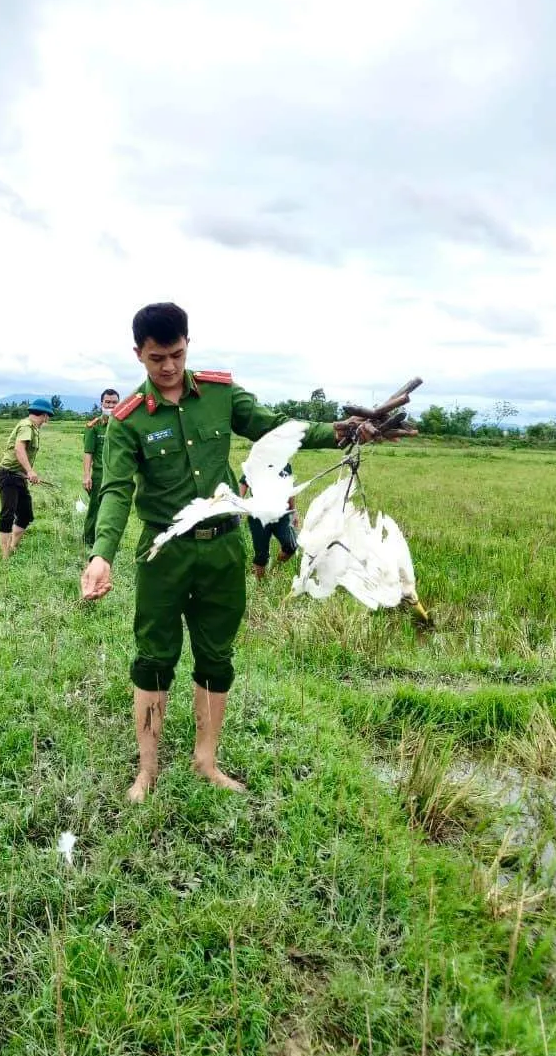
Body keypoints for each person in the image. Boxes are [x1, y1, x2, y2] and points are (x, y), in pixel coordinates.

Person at [80, 301, 413, 803]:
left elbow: (275, 428)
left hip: (223, 550)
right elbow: (115, 490)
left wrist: (343, 431)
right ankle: (146, 772)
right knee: (153, 659)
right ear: (138, 354)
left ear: (188, 344)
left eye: (176, 354)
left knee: (216, 657)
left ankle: (206, 761)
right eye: (156, 358)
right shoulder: (127, 420)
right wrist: (101, 553)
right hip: (164, 554)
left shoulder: (220, 395)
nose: (168, 367)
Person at [0, 398, 53, 559]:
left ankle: (12, 547)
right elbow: (19, 448)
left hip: (18, 477)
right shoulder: (26, 426)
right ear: (45, 415)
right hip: (8, 476)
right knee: (7, 515)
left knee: (26, 515)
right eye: (48, 416)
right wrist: (30, 471)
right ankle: (5, 557)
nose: (47, 420)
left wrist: (26, 473)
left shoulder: (32, 428)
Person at [239, 464, 298, 580]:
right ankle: (260, 583)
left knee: (291, 545)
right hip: (259, 515)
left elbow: (289, 488)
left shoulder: (285, 464)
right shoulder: (256, 461)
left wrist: (293, 510)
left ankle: (274, 568)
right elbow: (244, 483)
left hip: (281, 513)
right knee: (261, 556)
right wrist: (239, 504)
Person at [82, 388, 120, 547]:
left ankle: (109, 541)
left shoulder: (123, 424)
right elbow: (88, 452)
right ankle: (89, 540)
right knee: (96, 508)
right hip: (100, 474)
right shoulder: (94, 427)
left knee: (114, 509)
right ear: (101, 403)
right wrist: (86, 476)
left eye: (114, 402)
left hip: (118, 475)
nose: (110, 405)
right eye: (107, 402)